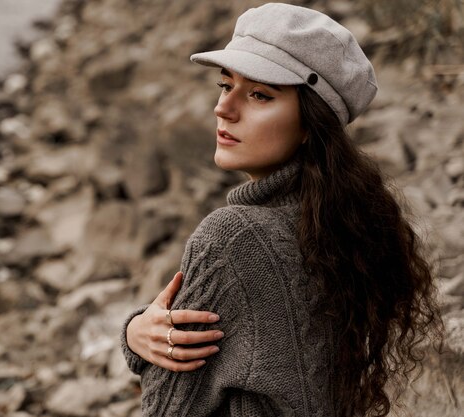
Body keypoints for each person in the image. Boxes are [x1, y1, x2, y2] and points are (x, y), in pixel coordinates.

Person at [120, 3, 443, 417]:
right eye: (225, 85)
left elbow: (168, 407)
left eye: (259, 95)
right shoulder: (344, 225)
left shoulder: (232, 237)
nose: (224, 108)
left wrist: (132, 338)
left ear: (310, 122)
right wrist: (134, 332)